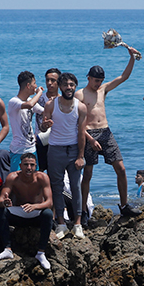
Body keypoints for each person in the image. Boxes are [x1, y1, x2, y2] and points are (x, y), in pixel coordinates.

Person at [76, 45, 142, 218]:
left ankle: (124, 205)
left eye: (100, 80)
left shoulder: (103, 89)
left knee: (121, 168)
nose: (98, 84)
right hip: (89, 135)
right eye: (95, 80)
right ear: (88, 78)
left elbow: (124, 77)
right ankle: (83, 210)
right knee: (88, 173)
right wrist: (90, 139)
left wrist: (132, 57)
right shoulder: (80, 95)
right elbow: (77, 124)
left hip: (106, 132)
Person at [39, 72, 87, 239]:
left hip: (74, 150)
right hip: (55, 150)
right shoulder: (51, 105)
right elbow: (44, 128)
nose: (69, 87)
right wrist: (45, 125)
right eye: (66, 84)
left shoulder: (80, 106)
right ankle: (61, 223)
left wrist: (81, 156)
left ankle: (78, 224)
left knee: (76, 187)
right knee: (57, 187)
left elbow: (82, 133)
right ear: (60, 86)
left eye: (72, 84)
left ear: (75, 86)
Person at [0, 153, 54, 270]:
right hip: (19, 213)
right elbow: (1, 199)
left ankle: (41, 253)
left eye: (32, 165)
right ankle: (7, 249)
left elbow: (49, 203)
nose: (29, 167)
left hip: (35, 214)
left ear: (36, 166)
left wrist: (35, 206)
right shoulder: (13, 177)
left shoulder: (42, 178)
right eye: (26, 164)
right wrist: (4, 202)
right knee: (0, 211)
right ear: (20, 165)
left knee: (48, 214)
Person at [6, 71, 44, 173]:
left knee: (33, 176)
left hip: (31, 147)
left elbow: (44, 111)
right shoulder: (14, 102)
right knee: (16, 177)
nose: (35, 86)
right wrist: (39, 93)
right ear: (28, 85)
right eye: (34, 83)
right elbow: (30, 105)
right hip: (18, 149)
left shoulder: (29, 99)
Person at [31, 68, 61, 172]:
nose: (49, 83)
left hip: (57, 142)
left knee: (56, 174)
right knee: (38, 172)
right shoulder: (38, 98)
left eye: (53, 80)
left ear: (59, 82)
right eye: (47, 80)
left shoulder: (62, 100)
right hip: (39, 141)